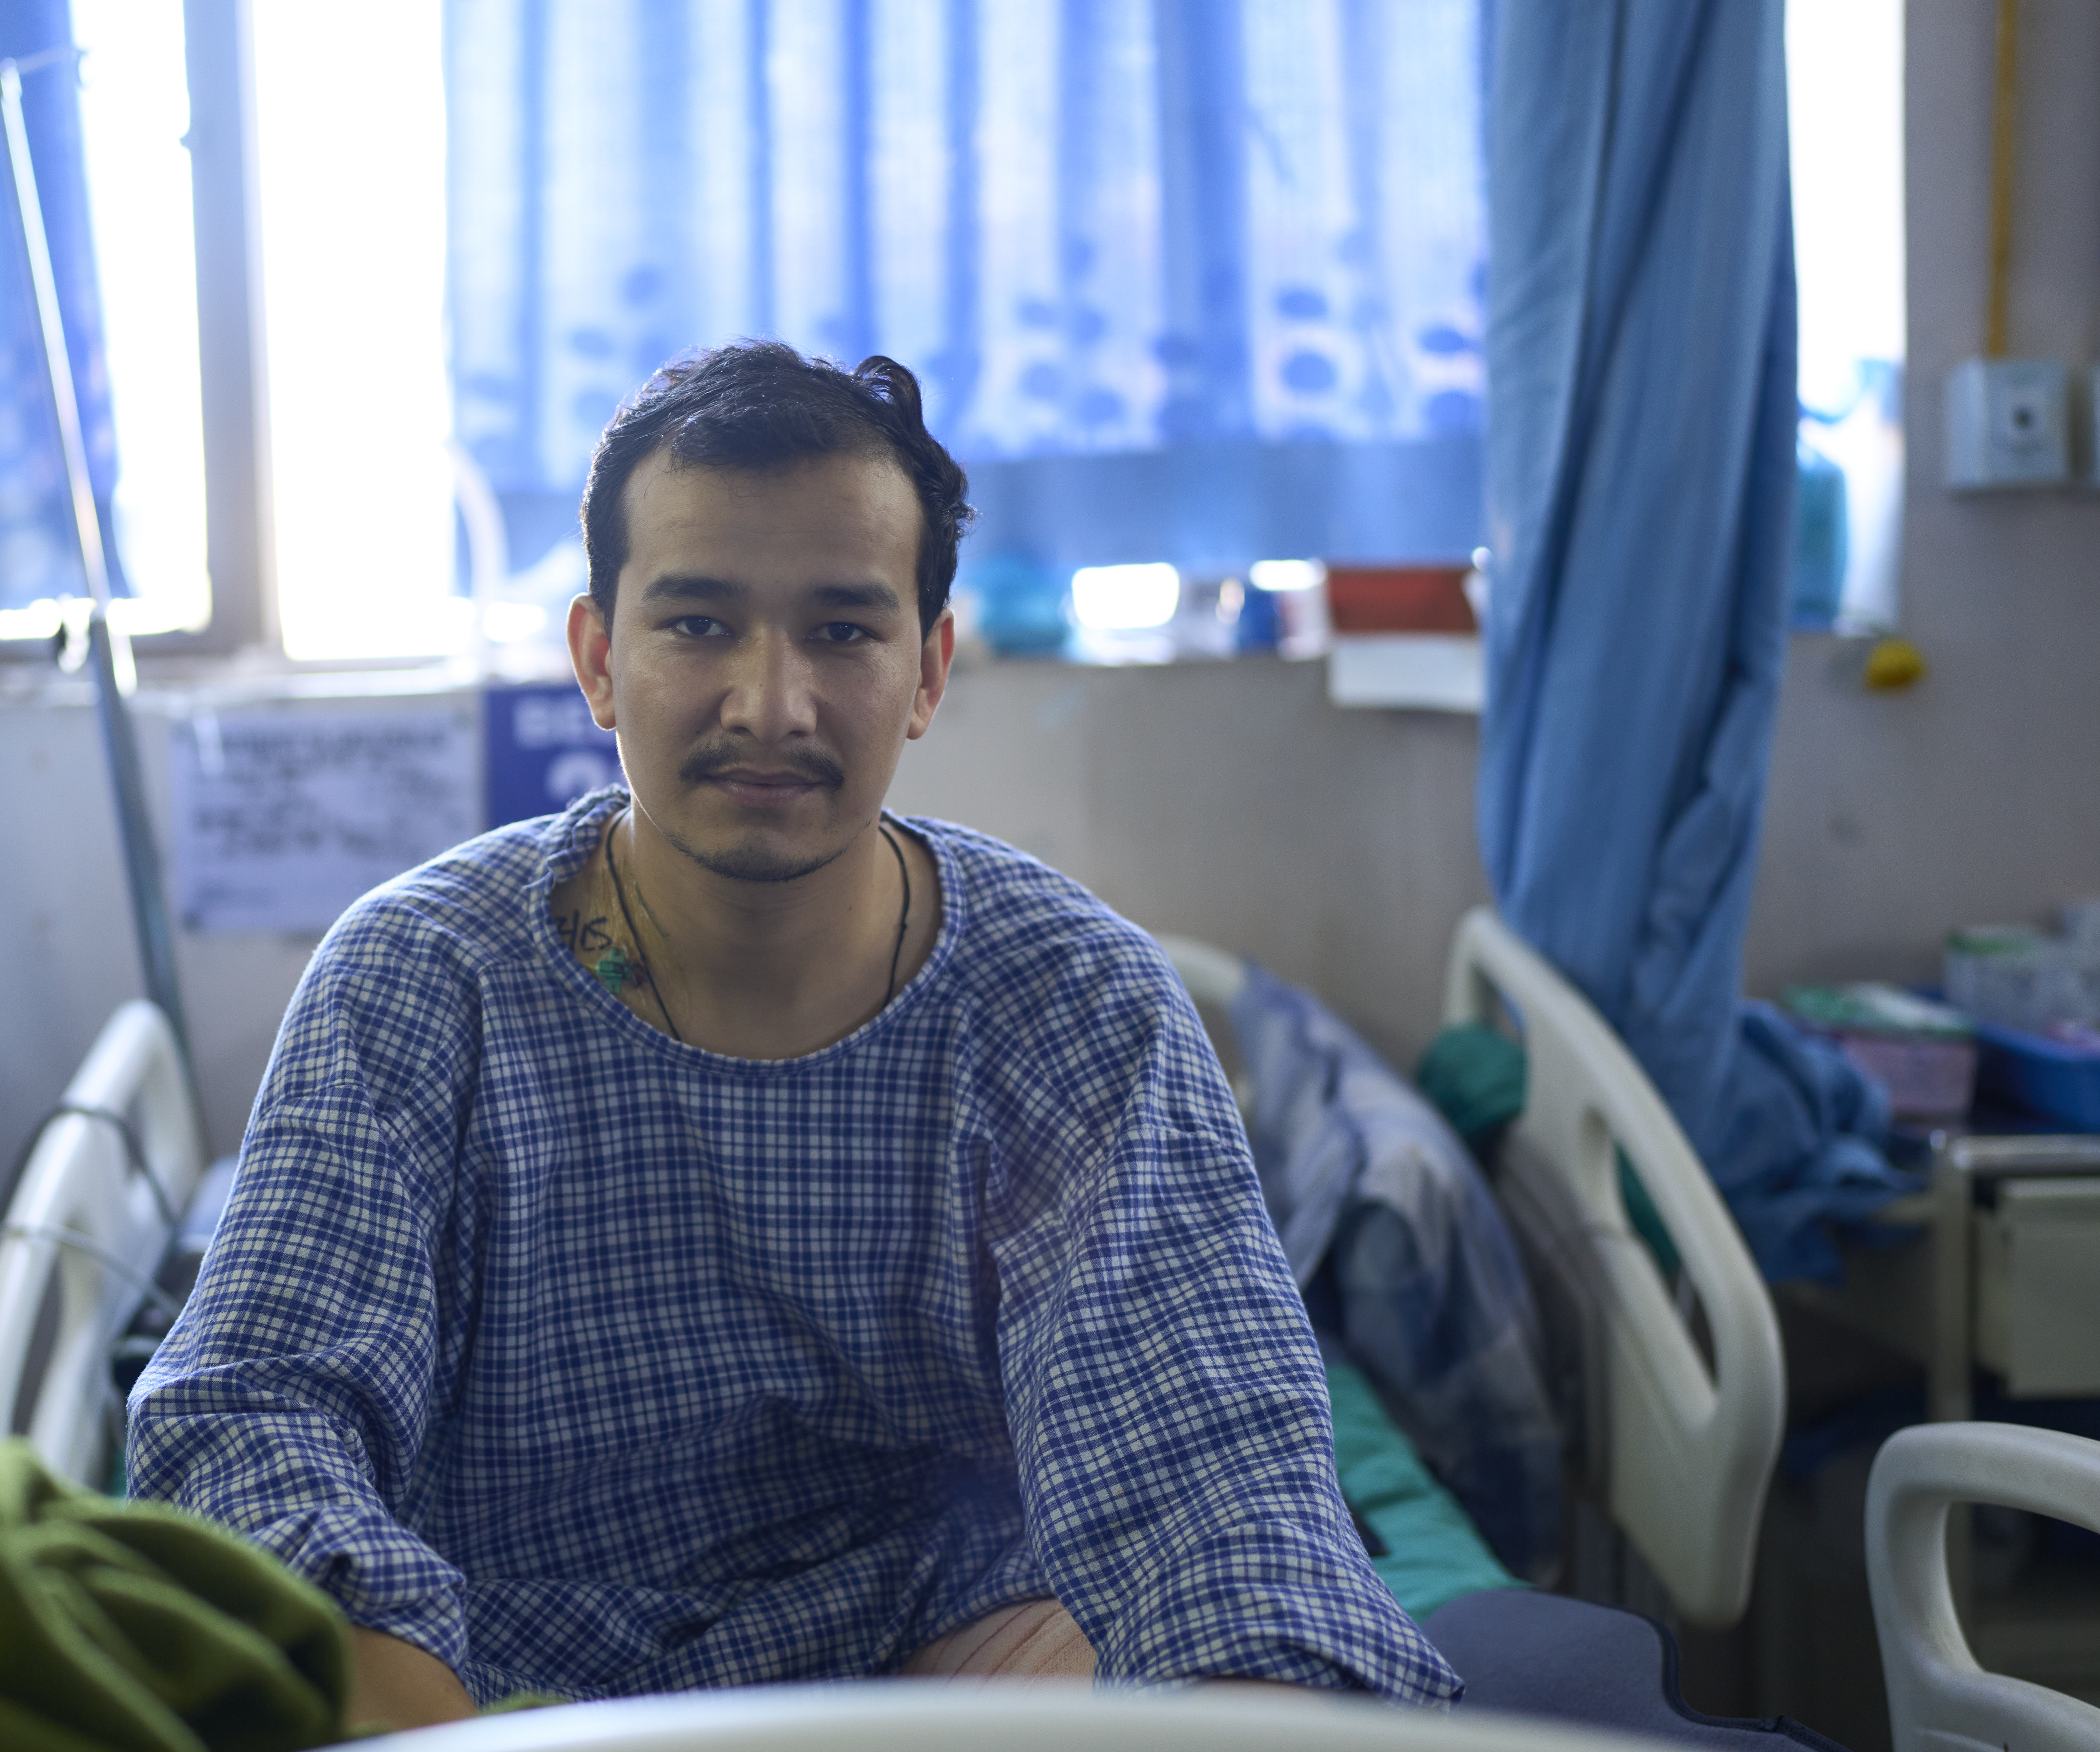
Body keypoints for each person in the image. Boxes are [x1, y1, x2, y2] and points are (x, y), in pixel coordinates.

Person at [127, 342, 1459, 1726]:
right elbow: (248, 1419)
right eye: (699, 625)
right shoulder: (420, 989)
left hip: (942, 1663)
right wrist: (419, 1702)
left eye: (843, 631)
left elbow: (1208, 1470)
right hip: (510, 1675)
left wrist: (1247, 1675)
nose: (771, 703)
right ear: (598, 658)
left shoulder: (1072, 1012)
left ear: (930, 670)